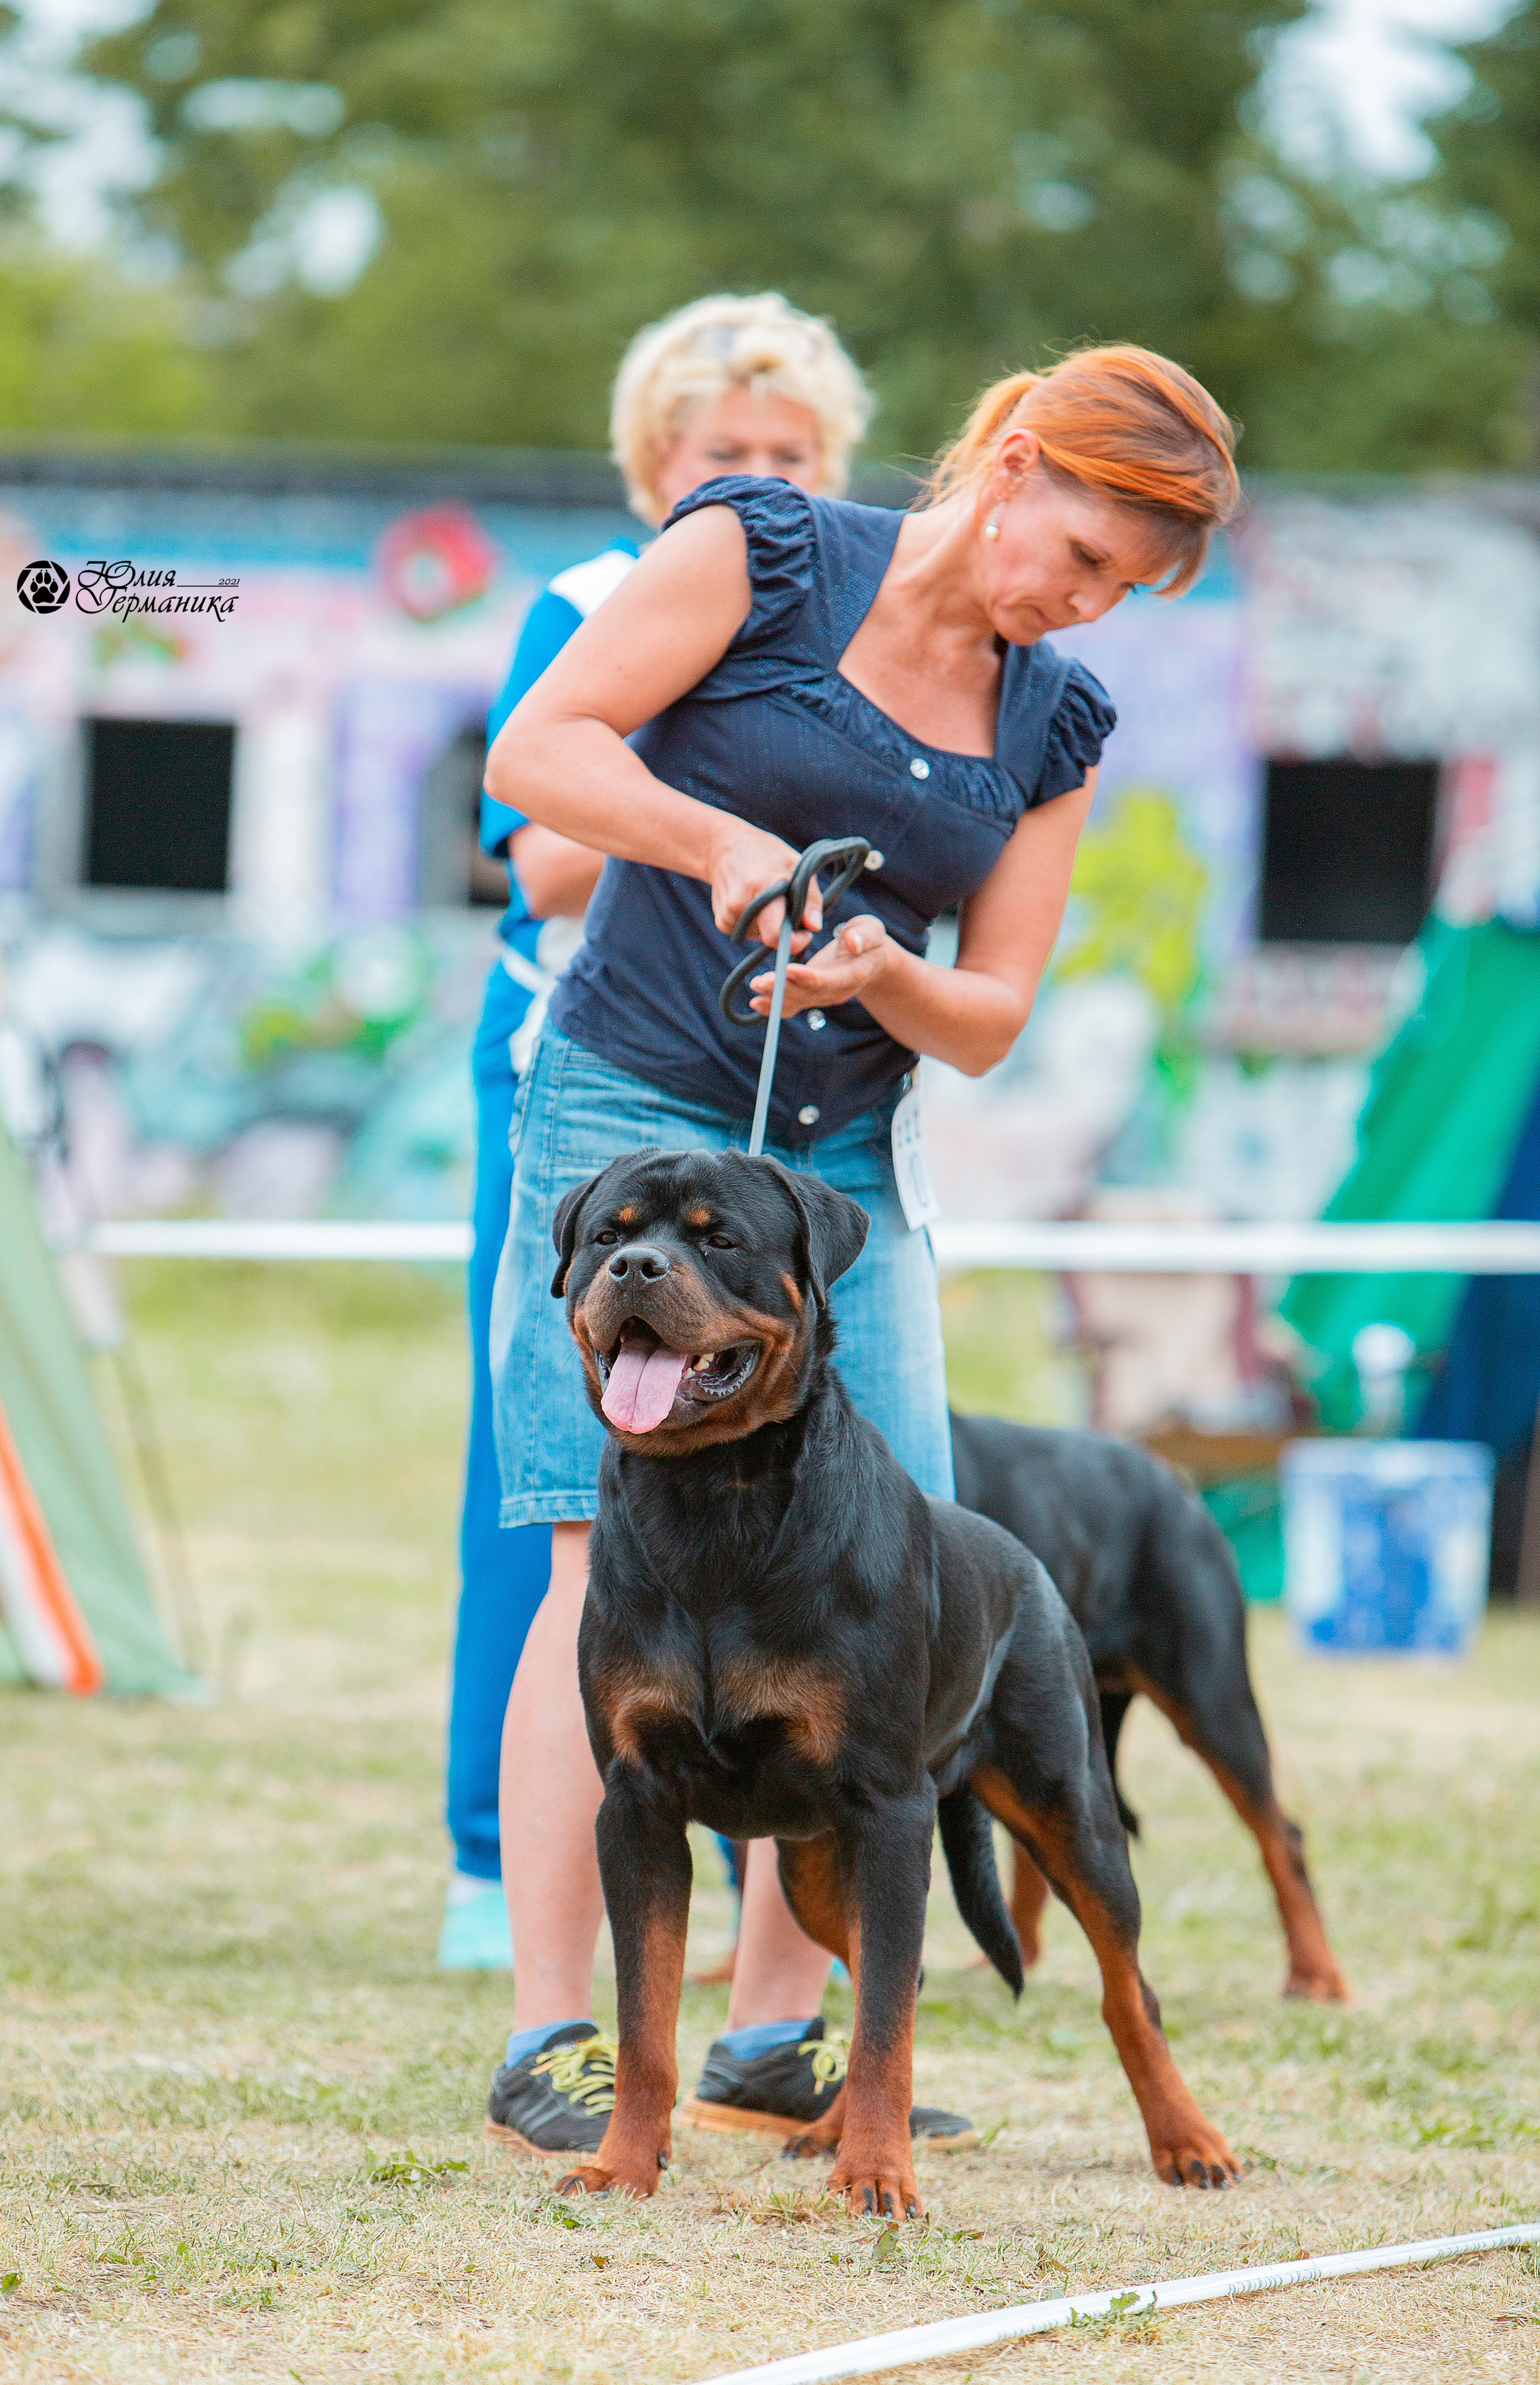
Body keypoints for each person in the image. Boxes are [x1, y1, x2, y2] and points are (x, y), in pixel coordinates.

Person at [480, 343, 1242, 2156]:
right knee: (597, 1544)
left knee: (873, 1570)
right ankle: (551, 2036)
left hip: (841, 1164)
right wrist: (715, 839)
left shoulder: (1054, 723)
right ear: (1022, 458)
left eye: (1121, 590)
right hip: (625, 1109)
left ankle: (771, 2034)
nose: (1079, 604)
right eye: (1082, 553)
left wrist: (891, 973)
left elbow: (990, 1014)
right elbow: (540, 752)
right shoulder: (758, 551)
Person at [440, 293, 874, 1971]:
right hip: (582, 1070)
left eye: (790, 458)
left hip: (785, 1094)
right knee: (555, 1475)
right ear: (654, 473)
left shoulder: (854, 632)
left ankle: (772, 1920)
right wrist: (709, 809)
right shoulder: (594, 605)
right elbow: (539, 855)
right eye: (722, 458)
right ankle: (496, 1866)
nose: (757, 485)